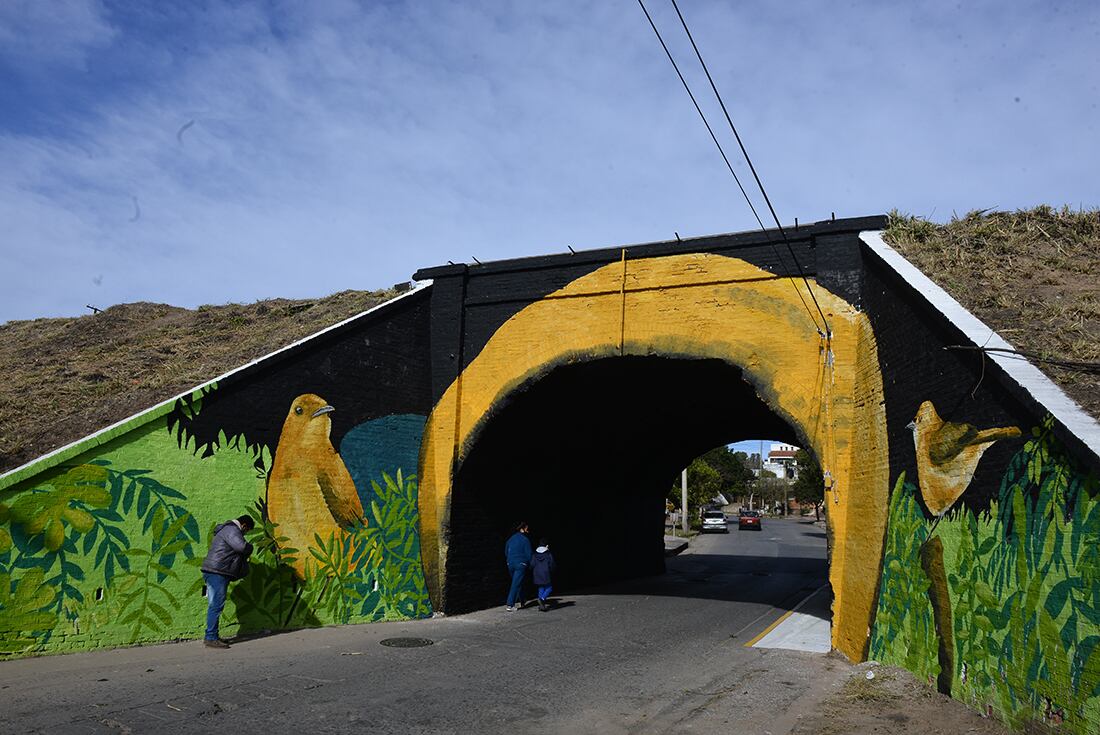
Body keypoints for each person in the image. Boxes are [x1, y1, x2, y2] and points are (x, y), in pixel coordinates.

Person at [200, 514, 255, 648]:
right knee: (216, 605)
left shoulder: (226, 529)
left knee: (216, 604)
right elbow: (241, 547)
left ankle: (212, 635)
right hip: (217, 572)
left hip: (216, 571)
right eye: (246, 531)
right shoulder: (232, 530)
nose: (245, 533)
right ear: (244, 525)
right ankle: (211, 637)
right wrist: (250, 547)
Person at [504, 521, 532, 611]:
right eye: (527, 528)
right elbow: (529, 554)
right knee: (516, 584)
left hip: (510, 564)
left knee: (518, 582)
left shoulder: (510, 539)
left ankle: (522, 600)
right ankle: (510, 605)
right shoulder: (525, 539)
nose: (528, 530)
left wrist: (509, 560)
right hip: (520, 564)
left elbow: (506, 552)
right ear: (522, 529)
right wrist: (530, 564)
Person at [530, 538, 556, 612]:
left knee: (541, 588)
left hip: (537, 573)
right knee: (549, 588)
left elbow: (531, 564)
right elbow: (552, 564)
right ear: (547, 546)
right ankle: (542, 599)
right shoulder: (548, 554)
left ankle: (541, 606)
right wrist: (552, 571)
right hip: (546, 573)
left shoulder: (534, 554)